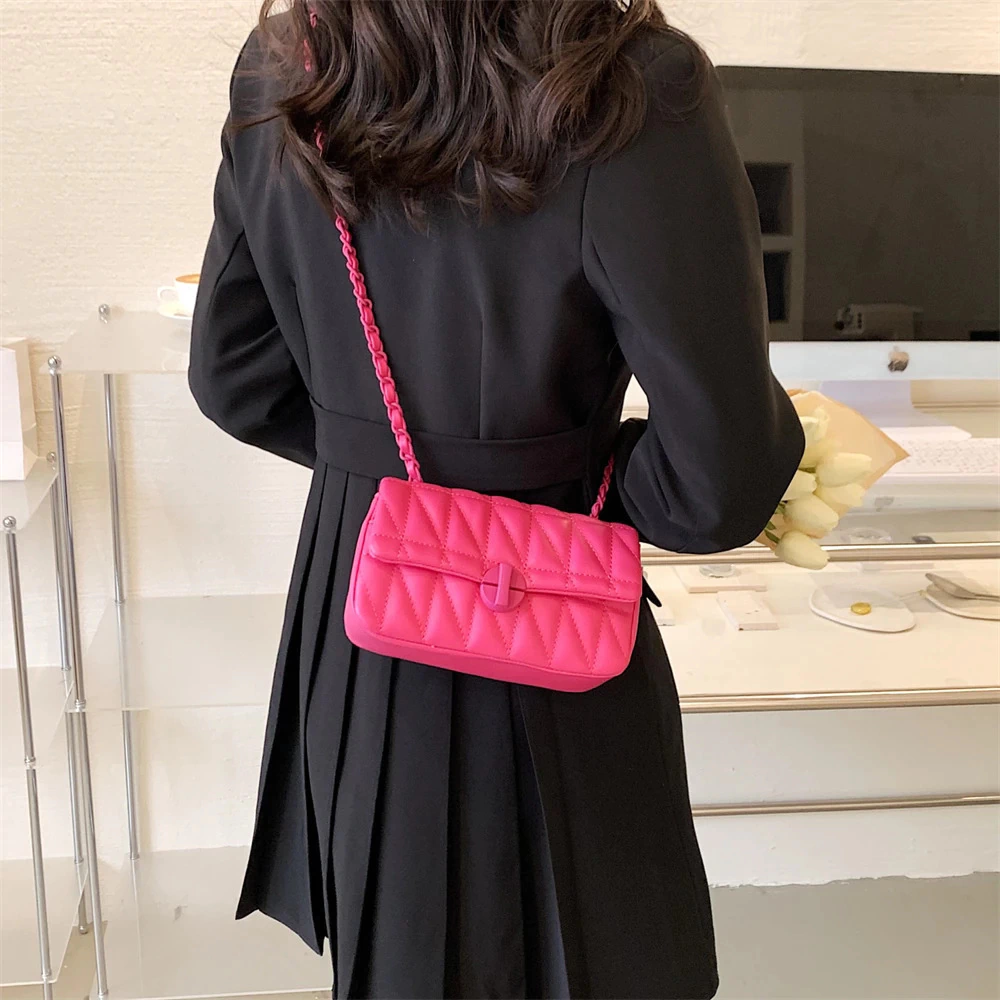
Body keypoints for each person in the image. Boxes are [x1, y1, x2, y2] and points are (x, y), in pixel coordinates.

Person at [188, 2, 803, 997]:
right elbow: (719, 479)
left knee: (397, 951)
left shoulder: (290, 65)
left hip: (365, 616)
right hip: (545, 624)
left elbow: (234, 377)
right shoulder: (632, 86)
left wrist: (388, 479)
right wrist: (590, 484)